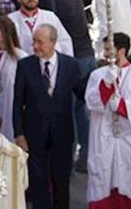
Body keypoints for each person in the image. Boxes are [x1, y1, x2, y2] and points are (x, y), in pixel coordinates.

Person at [12, 23, 80, 209]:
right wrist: (19, 134)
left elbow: (85, 95)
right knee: (38, 182)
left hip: (62, 134)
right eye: (34, 41)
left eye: (40, 42)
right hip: (34, 133)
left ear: (53, 42)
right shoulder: (25, 66)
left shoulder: (71, 65)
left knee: (61, 182)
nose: (35, 46)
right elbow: (18, 102)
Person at [85, 32, 131, 209]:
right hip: (104, 143)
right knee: (103, 190)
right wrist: (106, 85)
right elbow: (91, 101)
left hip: (130, 145)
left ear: (121, 51)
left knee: (127, 194)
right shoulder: (97, 75)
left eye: (109, 49)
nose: (105, 53)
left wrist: (122, 105)